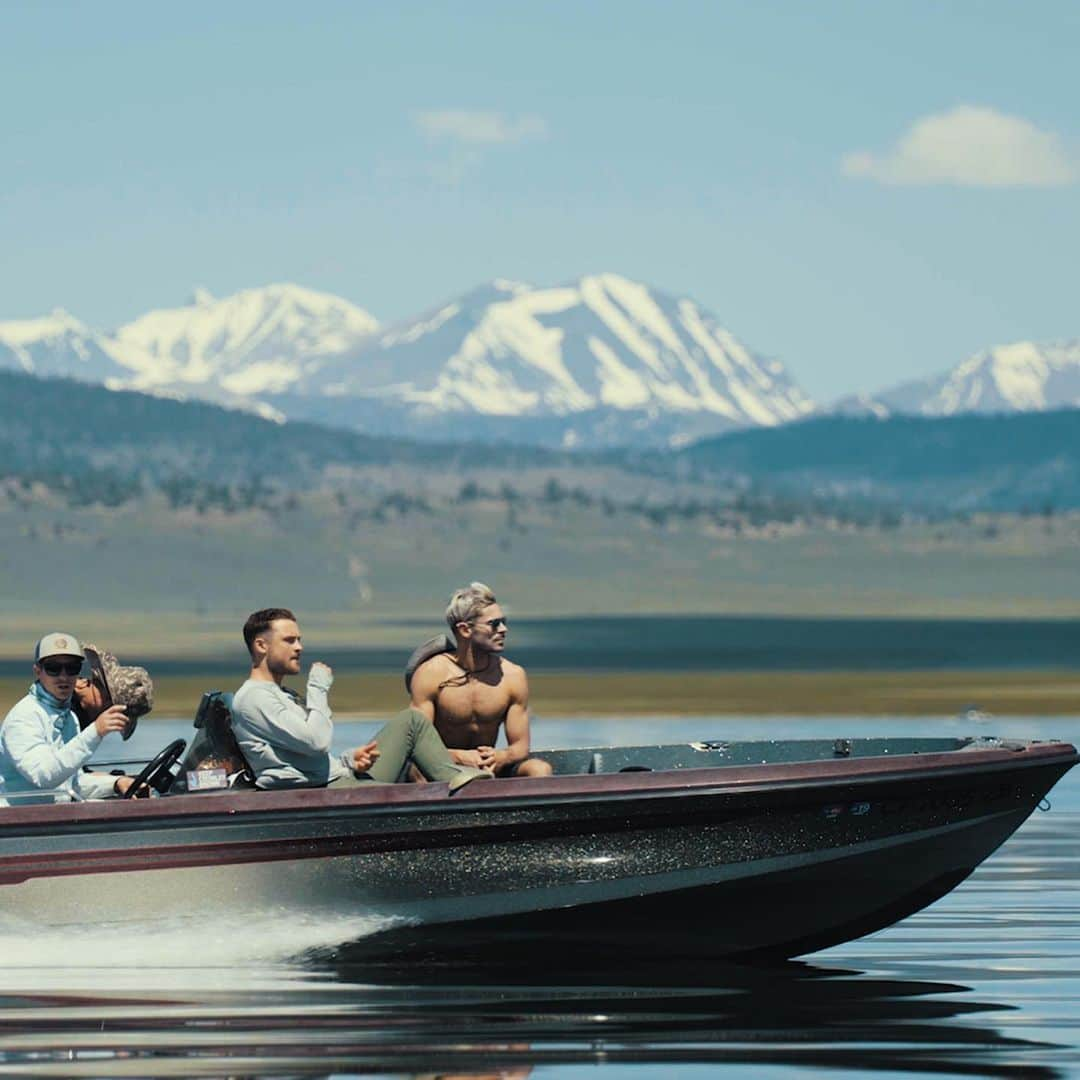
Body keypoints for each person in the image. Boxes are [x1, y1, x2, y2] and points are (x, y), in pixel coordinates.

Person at [231, 608, 490, 792]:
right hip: (321, 793)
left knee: (411, 722)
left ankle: (452, 777)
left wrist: (348, 760)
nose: (299, 647)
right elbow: (316, 741)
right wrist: (318, 688)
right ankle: (462, 791)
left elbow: (306, 755)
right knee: (403, 792)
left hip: (335, 779)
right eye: (289, 640)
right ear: (261, 646)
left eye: (299, 640)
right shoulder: (254, 698)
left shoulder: (281, 694)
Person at [409, 583, 552, 779]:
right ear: (465, 630)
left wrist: (501, 756)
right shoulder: (430, 674)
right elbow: (417, 745)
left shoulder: (512, 676)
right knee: (415, 771)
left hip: (488, 767)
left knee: (539, 770)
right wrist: (460, 756)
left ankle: (532, 811)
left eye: (504, 621)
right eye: (494, 624)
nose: (503, 629)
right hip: (441, 766)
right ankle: (434, 810)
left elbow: (520, 746)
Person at [0, 633, 145, 804]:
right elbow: (43, 775)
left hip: (54, 817)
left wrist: (115, 783)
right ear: (38, 672)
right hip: (19, 823)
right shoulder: (24, 718)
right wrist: (95, 732)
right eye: (53, 668)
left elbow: (71, 783)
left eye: (72, 668)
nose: (63, 677)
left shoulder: (69, 718)